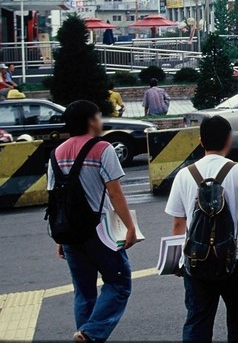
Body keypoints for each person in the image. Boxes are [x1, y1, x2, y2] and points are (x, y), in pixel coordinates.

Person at [165, 115, 238, 342]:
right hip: (235, 256)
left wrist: (181, 261)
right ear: (229, 140)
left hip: (196, 258)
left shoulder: (184, 174)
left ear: (201, 141)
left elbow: (178, 224)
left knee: (198, 318)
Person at [50, 100, 137, 342]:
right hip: (100, 230)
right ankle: (90, 334)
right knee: (119, 284)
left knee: (84, 291)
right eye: (99, 116)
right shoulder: (102, 148)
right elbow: (115, 192)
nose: (101, 120)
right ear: (91, 121)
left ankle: (85, 335)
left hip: (69, 232)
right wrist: (129, 226)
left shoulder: (56, 153)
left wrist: (60, 237)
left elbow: (55, 198)